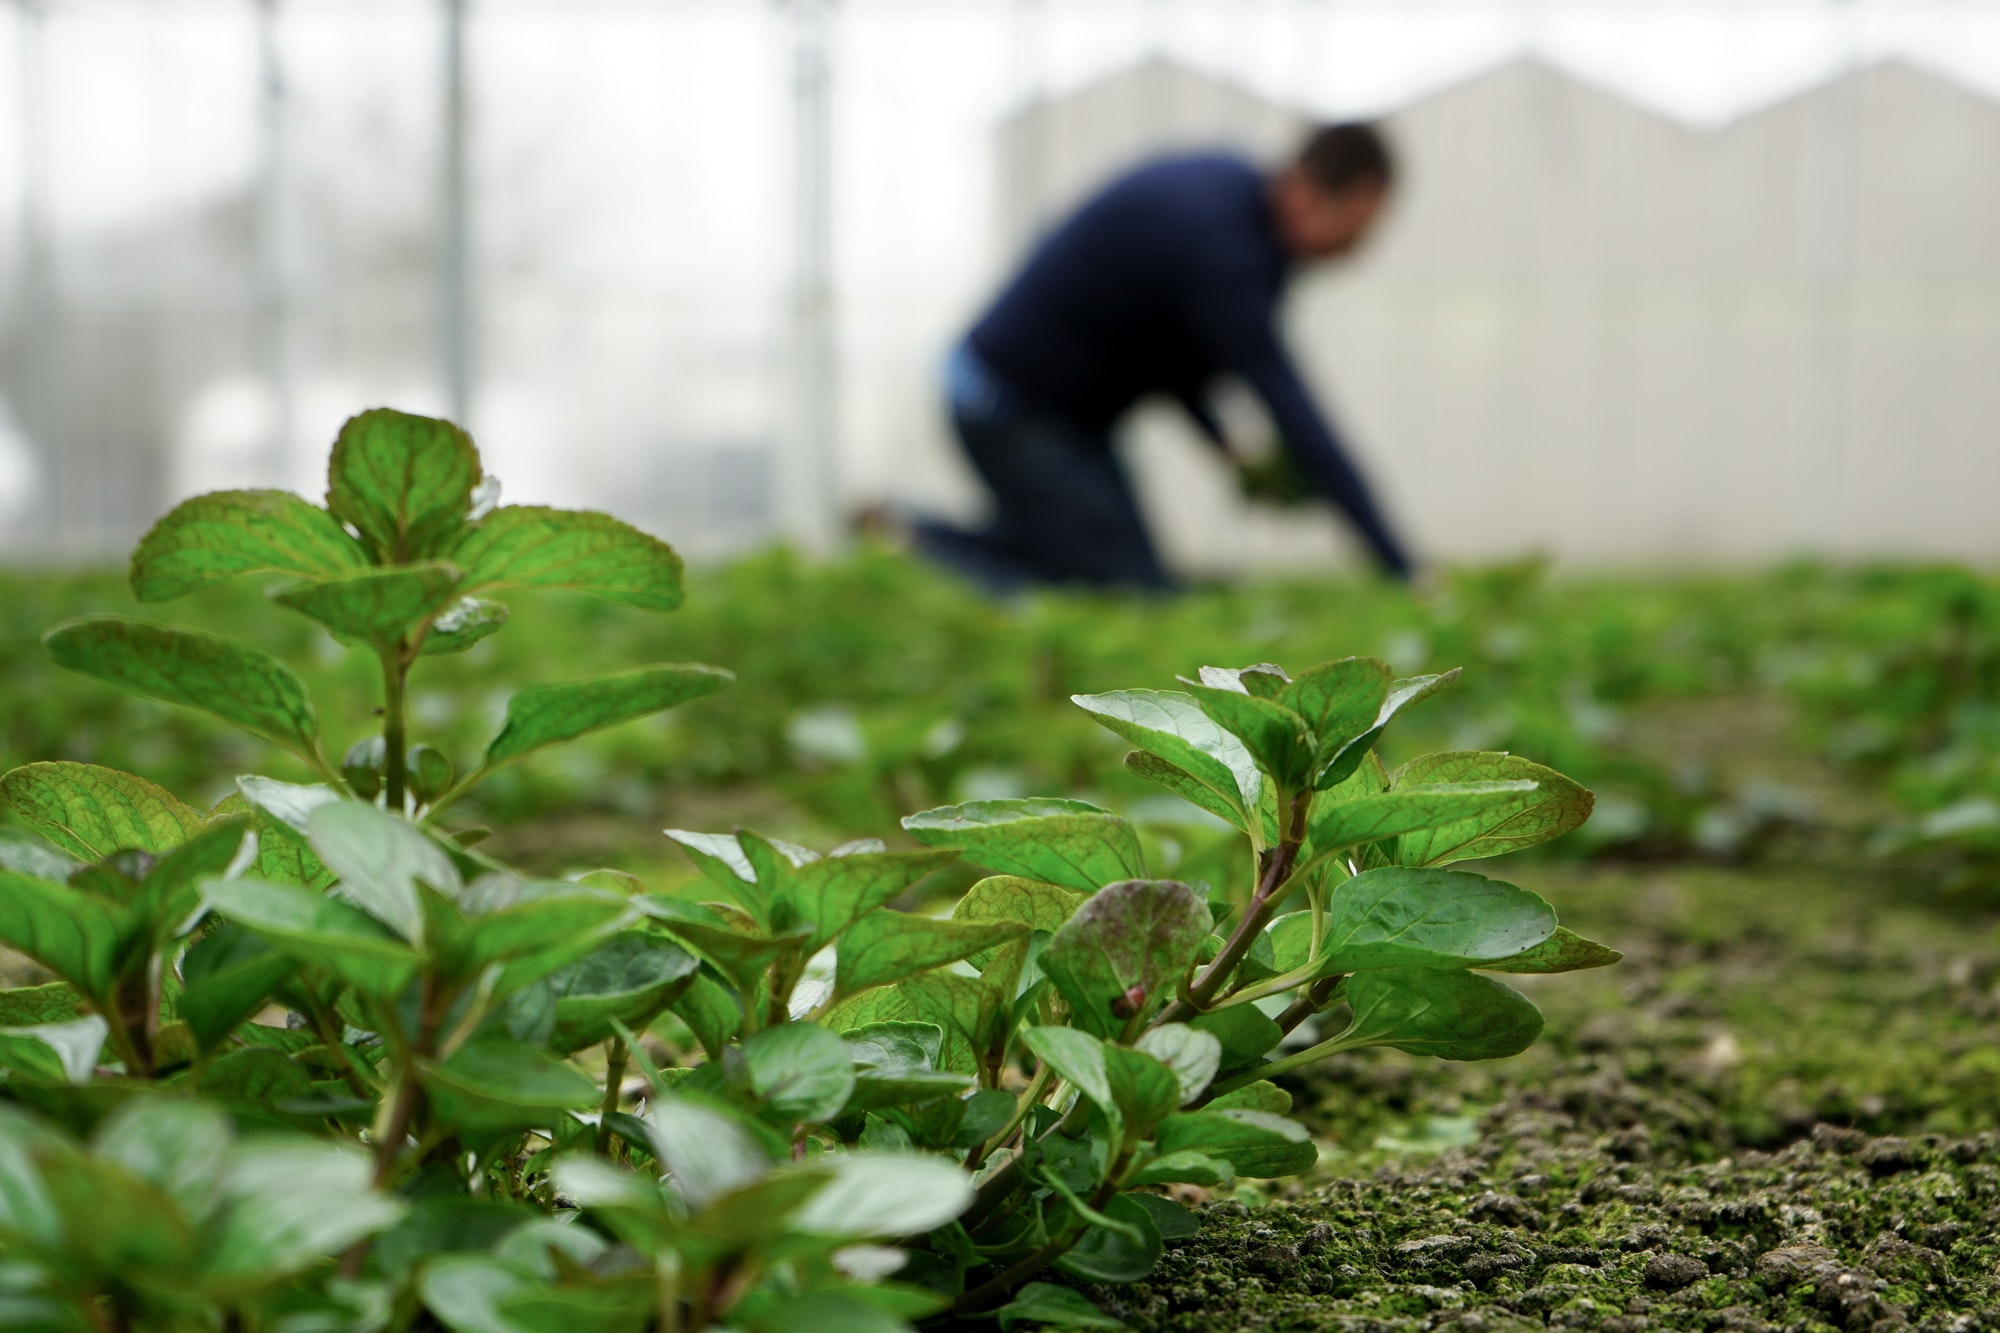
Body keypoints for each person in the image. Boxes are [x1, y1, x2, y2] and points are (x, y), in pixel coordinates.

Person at [914, 123, 1413, 593]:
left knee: (1121, 571)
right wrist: (1401, 566)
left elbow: (1171, 355)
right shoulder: (1228, 253)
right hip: (1007, 402)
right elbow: (1296, 415)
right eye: (1355, 226)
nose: (1356, 249)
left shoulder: (1231, 195)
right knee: (1122, 589)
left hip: (1062, 417)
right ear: (1306, 195)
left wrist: (1222, 443)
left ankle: (915, 536)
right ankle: (916, 546)